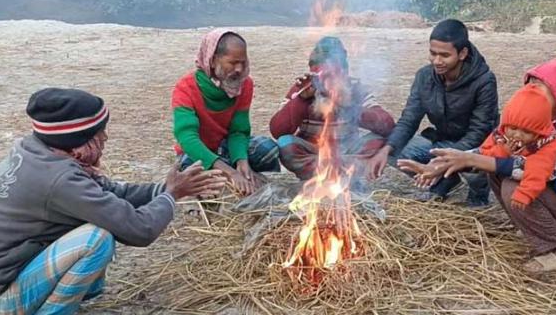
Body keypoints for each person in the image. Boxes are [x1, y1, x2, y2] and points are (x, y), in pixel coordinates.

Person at [0, 88, 227, 315]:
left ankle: (43, 313)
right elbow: (140, 230)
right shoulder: (59, 179)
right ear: (77, 141)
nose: (105, 137)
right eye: (98, 133)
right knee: (96, 239)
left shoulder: (40, 151)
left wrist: (164, 189)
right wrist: (171, 195)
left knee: (94, 220)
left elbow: (111, 195)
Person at [404, 58, 556, 272]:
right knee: (497, 171)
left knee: (515, 185)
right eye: (529, 89)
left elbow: (541, 170)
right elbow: (492, 151)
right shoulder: (541, 123)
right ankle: (542, 232)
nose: (532, 96)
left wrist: (473, 159)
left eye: (540, 90)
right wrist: (443, 164)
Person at [401, 83, 556, 247]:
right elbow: (486, 153)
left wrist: (525, 192)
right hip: (543, 181)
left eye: (525, 132)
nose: (517, 135)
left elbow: (538, 169)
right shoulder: (508, 131)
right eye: (512, 128)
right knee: (498, 173)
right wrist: (439, 165)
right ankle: (530, 228)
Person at [365, 19, 499, 206]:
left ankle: (479, 193)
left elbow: (479, 132)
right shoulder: (424, 77)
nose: (437, 61)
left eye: (444, 55)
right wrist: (386, 149)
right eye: (432, 53)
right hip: (442, 139)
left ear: (462, 53)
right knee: (397, 151)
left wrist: (444, 160)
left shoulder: (484, 81)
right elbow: (409, 120)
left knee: (476, 173)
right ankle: (447, 182)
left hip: (476, 147)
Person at [269, 36, 395, 181]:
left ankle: (337, 173)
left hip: (348, 149)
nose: (326, 83)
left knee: (381, 141)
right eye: (322, 76)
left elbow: (388, 125)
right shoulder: (302, 89)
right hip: (314, 152)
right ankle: (327, 175)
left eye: (333, 75)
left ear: (344, 72)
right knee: (286, 144)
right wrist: (301, 100)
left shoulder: (354, 89)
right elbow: (278, 131)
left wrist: (348, 104)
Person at [173, 28, 280, 196]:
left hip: (226, 148)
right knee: (193, 172)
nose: (239, 69)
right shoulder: (185, 88)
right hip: (198, 151)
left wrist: (241, 162)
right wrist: (230, 172)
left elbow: (238, 130)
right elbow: (187, 138)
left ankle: (249, 178)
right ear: (213, 60)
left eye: (243, 63)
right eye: (233, 62)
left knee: (269, 149)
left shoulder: (245, 85)